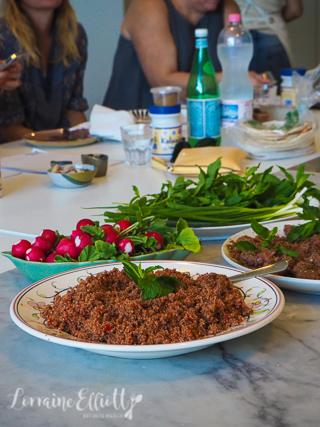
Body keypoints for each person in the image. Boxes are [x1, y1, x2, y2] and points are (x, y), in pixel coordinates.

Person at [103, 0, 265, 110]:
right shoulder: (148, 5)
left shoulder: (227, 6)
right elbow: (163, 82)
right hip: (135, 124)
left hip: (197, 121)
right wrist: (233, 77)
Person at [0, 0, 88, 142]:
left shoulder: (75, 34)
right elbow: (7, 126)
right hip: (14, 150)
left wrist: (86, 141)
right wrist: (56, 145)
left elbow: (74, 107)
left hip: (59, 147)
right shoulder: (3, 37)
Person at [235, 0, 303, 87]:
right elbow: (295, 10)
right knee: (281, 95)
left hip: (238, 38)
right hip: (272, 34)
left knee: (238, 95)